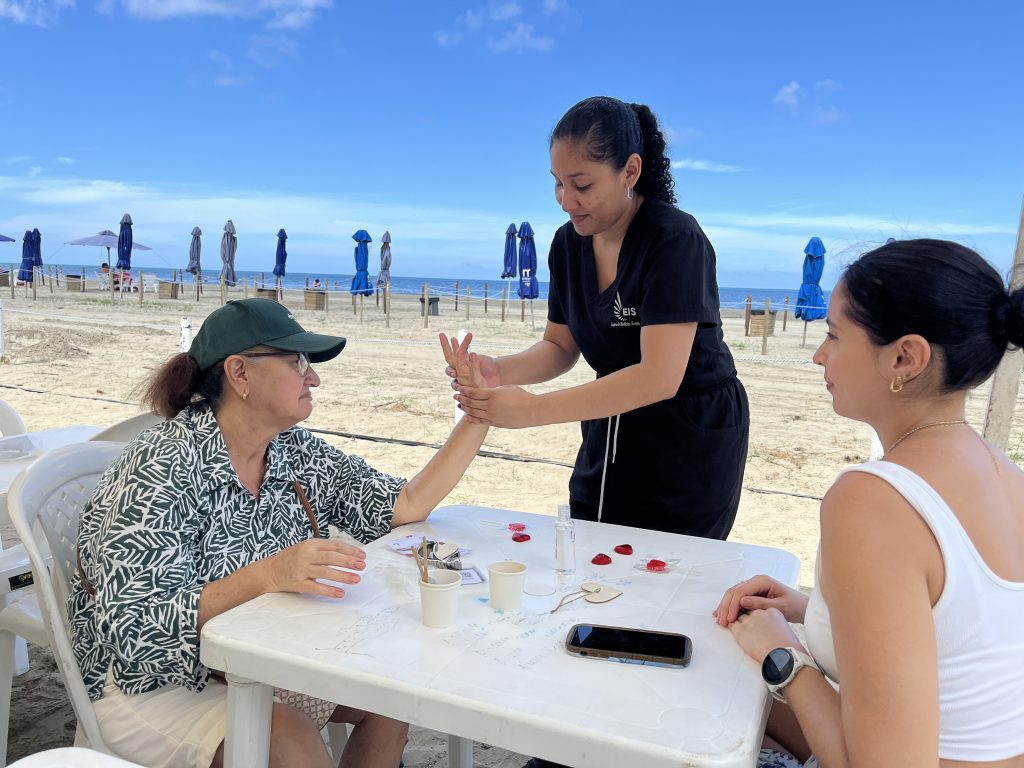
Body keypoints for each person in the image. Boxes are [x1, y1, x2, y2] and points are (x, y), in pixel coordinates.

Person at [70, 298, 488, 768]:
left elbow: (402, 505)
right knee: (285, 733)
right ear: (239, 373)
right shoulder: (164, 464)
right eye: (297, 362)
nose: (314, 377)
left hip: (250, 660)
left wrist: (477, 415)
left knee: (392, 693)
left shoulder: (289, 448)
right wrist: (266, 576)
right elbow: (134, 625)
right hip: (150, 683)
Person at [714, 239, 1024, 767]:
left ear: (905, 357)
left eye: (834, 334)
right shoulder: (1005, 475)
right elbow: (961, 645)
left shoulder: (874, 499)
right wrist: (815, 612)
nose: (819, 354)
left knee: (714, 691)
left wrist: (782, 656)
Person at [445, 96, 748, 539]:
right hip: (609, 421)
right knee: (594, 551)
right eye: (557, 184)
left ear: (630, 171)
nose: (566, 201)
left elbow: (660, 376)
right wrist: (499, 370)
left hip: (689, 431)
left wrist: (533, 411)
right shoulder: (568, 245)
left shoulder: (675, 239)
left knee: (666, 574)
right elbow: (560, 347)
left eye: (581, 185)